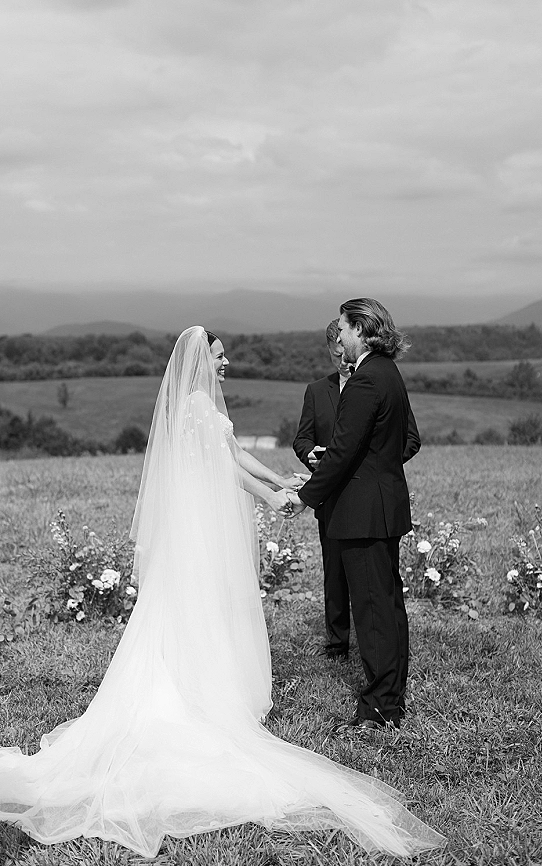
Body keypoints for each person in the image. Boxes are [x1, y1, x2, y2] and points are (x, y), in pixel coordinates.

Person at [0, 326, 444, 858]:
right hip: (199, 530)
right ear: (198, 361)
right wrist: (274, 498)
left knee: (214, 608)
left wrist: (283, 482)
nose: (227, 361)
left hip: (207, 524)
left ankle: (212, 683)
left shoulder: (205, 406)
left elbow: (233, 451)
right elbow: (225, 467)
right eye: (219, 354)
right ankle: (195, 695)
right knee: (199, 606)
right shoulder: (192, 407)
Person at [288, 299, 416, 732]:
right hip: (383, 505)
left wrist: (306, 496)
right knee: (388, 601)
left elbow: (343, 452)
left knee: (373, 609)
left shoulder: (364, 381)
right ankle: (392, 690)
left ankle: (380, 707)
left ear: (361, 329)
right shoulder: (389, 372)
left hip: (362, 512)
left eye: (343, 327)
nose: (338, 336)